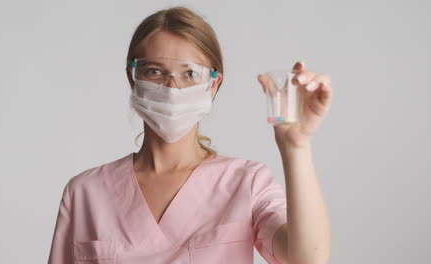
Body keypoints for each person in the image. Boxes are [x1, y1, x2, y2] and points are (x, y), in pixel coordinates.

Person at [47, 6, 332, 264]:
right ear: (132, 77)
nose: (172, 87)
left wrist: (296, 146)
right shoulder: (85, 192)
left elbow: (307, 259)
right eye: (155, 71)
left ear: (213, 83)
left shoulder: (246, 183)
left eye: (190, 74)